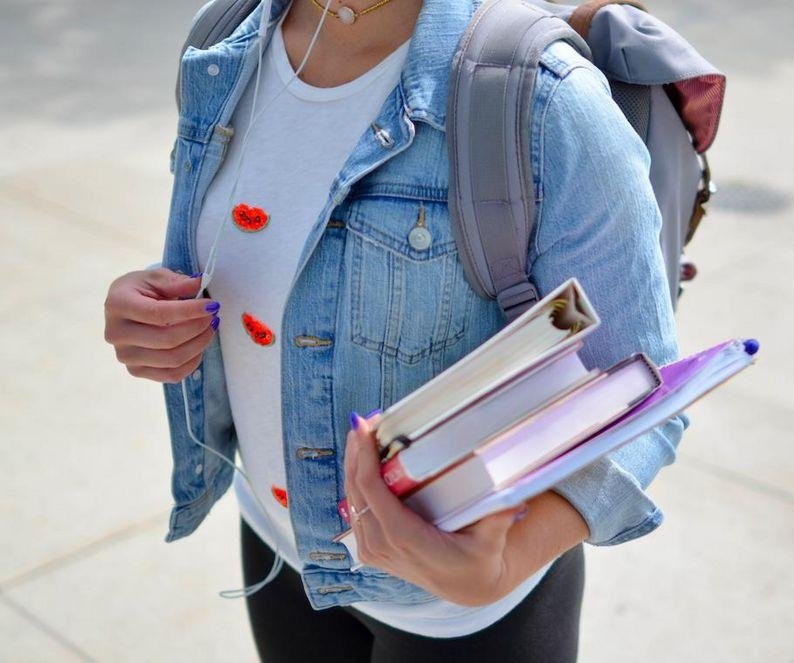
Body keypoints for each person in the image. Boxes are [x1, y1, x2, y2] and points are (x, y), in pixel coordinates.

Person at [102, 0, 687, 660]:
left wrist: (504, 561)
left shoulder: (545, 102)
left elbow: (643, 392)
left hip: (468, 618)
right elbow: (258, 256)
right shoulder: (222, 43)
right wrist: (153, 309)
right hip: (277, 545)